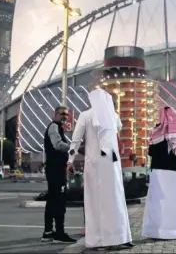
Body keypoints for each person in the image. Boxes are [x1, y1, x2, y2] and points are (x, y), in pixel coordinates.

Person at [68, 88, 134, 251]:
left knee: (95, 201)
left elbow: (75, 140)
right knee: (115, 198)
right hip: (111, 159)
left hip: (95, 163)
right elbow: (118, 128)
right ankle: (119, 236)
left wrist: (70, 160)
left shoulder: (86, 115)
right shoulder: (113, 116)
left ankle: (99, 240)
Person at [142, 106, 176, 240]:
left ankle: (156, 231)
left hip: (158, 171)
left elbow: (150, 152)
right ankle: (173, 231)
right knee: (173, 202)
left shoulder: (155, 131)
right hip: (175, 172)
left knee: (157, 202)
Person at [41, 105, 76, 244]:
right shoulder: (54, 127)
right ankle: (59, 234)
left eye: (66, 115)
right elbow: (57, 145)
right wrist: (74, 148)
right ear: (54, 114)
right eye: (62, 114)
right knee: (59, 202)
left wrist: (68, 163)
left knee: (52, 200)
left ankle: (48, 232)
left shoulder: (57, 128)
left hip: (55, 169)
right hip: (55, 170)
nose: (65, 117)